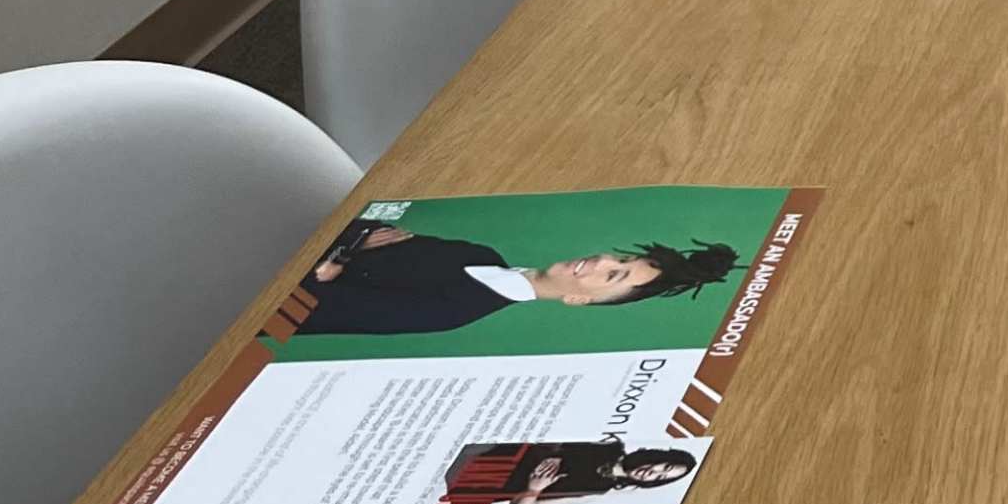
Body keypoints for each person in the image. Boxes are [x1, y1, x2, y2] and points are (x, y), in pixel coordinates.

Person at [296, 223, 743, 337]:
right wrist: (349, 244)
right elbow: (371, 227)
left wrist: (340, 255)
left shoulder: (450, 310)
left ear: (578, 301)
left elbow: (301, 310)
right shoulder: (479, 254)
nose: (603, 259)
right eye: (621, 257)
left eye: (613, 274)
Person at [435, 441, 699, 504]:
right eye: (664, 466)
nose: (653, 473)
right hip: (476, 451)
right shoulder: (608, 445)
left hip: (478, 482)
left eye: (661, 478)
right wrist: (551, 451)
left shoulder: (598, 491)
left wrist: (534, 489)